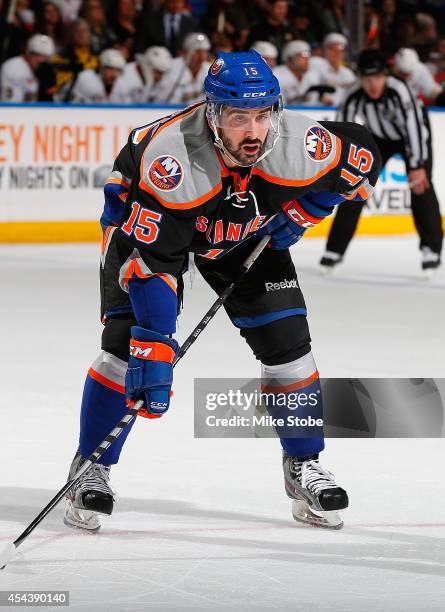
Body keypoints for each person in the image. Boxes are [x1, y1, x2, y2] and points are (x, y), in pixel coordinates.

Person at [64, 50, 381, 532]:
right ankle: (91, 467)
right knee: (129, 350)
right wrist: (155, 341)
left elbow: (363, 153)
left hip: (242, 232)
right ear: (213, 115)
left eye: (261, 114)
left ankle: (303, 466)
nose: (253, 131)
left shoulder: (300, 143)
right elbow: (155, 265)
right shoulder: (172, 162)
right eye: (238, 117)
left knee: (289, 344)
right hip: (143, 232)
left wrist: (309, 208)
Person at [320, 49, 442, 276]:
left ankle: (431, 248)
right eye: (367, 79)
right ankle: (334, 250)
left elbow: (416, 127)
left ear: (385, 76)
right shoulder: (353, 95)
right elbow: (342, 128)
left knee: (421, 186)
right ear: (360, 79)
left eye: (377, 78)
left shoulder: (399, 90)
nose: (372, 84)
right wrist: (340, 166)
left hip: (412, 138)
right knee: (353, 185)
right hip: (379, 139)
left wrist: (417, 165)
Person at [0, 34, 55, 102]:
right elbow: (10, 102)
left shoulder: (44, 71)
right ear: (28, 53)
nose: (40, 60)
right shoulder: (13, 67)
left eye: (45, 57)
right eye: (37, 55)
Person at [160, 32, 211, 104]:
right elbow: (162, 97)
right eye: (197, 52)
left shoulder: (211, 70)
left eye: (204, 52)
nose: (201, 56)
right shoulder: (172, 67)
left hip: (200, 112)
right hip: (172, 110)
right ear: (186, 52)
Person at [310, 33, 356, 106]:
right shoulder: (315, 65)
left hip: (339, 110)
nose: (337, 53)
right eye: (332, 49)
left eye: (341, 50)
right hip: (316, 110)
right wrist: (320, 97)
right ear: (325, 50)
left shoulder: (348, 73)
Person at [273, 40, 322, 106]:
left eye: (308, 55)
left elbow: (312, 105)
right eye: (303, 55)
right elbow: (277, 107)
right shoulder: (277, 75)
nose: (307, 59)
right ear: (290, 59)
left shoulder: (312, 75)